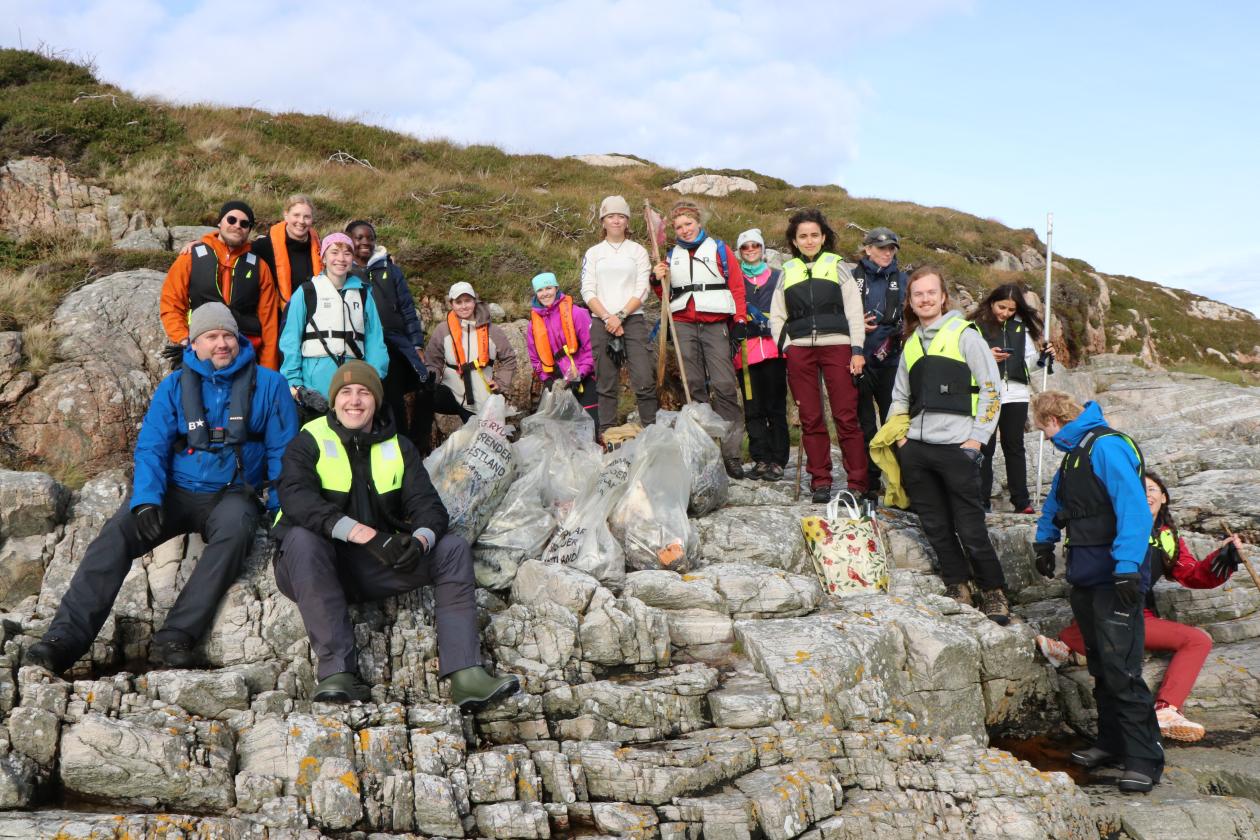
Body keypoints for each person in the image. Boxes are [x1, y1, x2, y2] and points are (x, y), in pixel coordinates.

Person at [26, 303, 297, 675]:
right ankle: (63, 640)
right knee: (116, 536)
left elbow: (284, 453)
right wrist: (146, 500)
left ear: (237, 339)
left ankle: (177, 635)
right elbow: (152, 446)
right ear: (195, 343)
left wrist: (283, 511)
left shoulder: (270, 385)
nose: (221, 344)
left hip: (233, 492)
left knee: (237, 533)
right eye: (211, 337)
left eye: (227, 336)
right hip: (176, 490)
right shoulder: (173, 386)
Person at [273, 360, 520, 706]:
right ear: (334, 401)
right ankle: (336, 672)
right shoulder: (309, 440)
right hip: (309, 568)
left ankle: (466, 673)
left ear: (376, 400)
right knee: (301, 539)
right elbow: (296, 498)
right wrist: (365, 535)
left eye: (363, 392)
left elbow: (431, 508)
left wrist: (419, 542)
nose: (354, 400)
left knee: (451, 548)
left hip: (372, 566)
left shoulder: (399, 447)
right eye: (345, 393)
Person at [1036, 471, 1242, 743]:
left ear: (1164, 497)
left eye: (1153, 489)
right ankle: (1166, 710)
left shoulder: (1168, 537)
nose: (1146, 495)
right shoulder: (1114, 526)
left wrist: (1223, 558)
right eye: (1139, 489)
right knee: (1198, 640)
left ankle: (1067, 647)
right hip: (1115, 614)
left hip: (1133, 616)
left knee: (1190, 639)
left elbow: (1192, 575)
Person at [1031, 390, 1164, 793]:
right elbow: (1057, 502)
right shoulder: (1074, 455)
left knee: (1122, 669)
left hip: (1116, 576)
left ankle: (1145, 758)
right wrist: (1044, 539)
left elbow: (1133, 507)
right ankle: (1111, 743)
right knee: (1102, 668)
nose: (1044, 436)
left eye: (1042, 428)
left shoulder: (1106, 446)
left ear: (1053, 420)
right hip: (1087, 574)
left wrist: (1126, 567)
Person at [889, 266, 1009, 623]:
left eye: (931, 293)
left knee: (970, 528)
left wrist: (976, 441)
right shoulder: (911, 344)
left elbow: (991, 390)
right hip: (917, 450)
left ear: (943, 297)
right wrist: (901, 439)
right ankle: (958, 585)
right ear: (910, 302)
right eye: (917, 295)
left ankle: (994, 591)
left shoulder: (965, 335)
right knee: (936, 526)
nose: (925, 299)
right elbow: (899, 396)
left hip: (959, 447)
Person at [770, 208, 867, 501]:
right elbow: (777, 315)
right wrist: (786, 347)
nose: (809, 241)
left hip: (838, 347)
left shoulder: (838, 266)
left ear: (823, 237)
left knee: (846, 417)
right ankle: (820, 481)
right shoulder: (787, 272)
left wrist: (857, 350)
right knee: (811, 418)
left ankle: (857, 484)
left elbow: (854, 311)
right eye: (803, 236)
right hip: (800, 351)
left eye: (814, 235)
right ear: (795, 242)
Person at [652, 200, 747, 479]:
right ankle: (706, 451)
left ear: (698, 223)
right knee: (693, 386)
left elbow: (737, 286)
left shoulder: (719, 249)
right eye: (679, 226)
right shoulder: (670, 256)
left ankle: (731, 453)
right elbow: (665, 299)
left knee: (725, 384)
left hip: (716, 321)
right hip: (682, 322)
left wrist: (740, 320)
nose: (684, 230)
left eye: (688, 224)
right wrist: (657, 280)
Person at [160, 200, 280, 370]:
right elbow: (171, 302)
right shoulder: (190, 257)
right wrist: (184, 340)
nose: (237, 226)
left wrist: (268, 370)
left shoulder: (260, 267)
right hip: (201, 354)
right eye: (231, 220)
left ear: (249, 230)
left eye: (244, 224)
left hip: (245, 356)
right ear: (219, 222)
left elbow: (269, 325)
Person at [346, 220, 432, 451]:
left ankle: (401, 450)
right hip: (358, 348)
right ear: (348, 240)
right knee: (363, 398)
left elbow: (407, 308)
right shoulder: (343, 271)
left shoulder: (391, 270)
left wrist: (416, 344)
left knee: (393, 401)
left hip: (392, 345)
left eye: (370, 237)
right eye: (359, 237)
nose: (365, 242)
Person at [968, 283, 1051, 513]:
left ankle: (1021, 501)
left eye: (1010, 309)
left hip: (1016, 392)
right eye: (1001, 306)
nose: (1004, 313)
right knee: (986, 446)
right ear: (991, 302)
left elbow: (1030, 362)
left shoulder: (1020, 329)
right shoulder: (975, 327)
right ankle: (981, 500)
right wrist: (987, 356)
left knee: (1014, 446)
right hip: (987, 392)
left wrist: (1045, 355)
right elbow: (965, 359)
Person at [278, 232, 389, 403]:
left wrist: (374, 377)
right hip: (314, 384)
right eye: (334, 252)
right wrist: (295, 384)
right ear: (323, 257)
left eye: (347, 253)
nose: (341, 258)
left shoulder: (363, 293)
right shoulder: (307, 292)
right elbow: (290, 339)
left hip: (355, 380)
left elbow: (375, 340)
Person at [580, 195, 657, 436]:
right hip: (601, 320)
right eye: (611, 216)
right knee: (606, 382)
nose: (616, 220)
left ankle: (651, 431)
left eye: (621, 216)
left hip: (633, 319)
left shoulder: (638, 251)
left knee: (644, 379)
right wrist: (607, 317)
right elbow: (587, 289)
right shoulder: (593, 253)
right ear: (603, 221)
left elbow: (642, 289)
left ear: (627, 221)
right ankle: (607, 434)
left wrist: (621, 315)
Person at [852, 227, 907, 499]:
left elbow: (914, 314)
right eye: (881, 247)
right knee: (864, 423)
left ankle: (900, 482)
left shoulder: (903, 279)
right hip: (859, 357)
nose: (887, 253)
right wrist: (854, 323)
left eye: (891, 248)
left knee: (893, 422)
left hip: (891, 360)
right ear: (868, 249)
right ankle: (870, 482)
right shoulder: (852, 277)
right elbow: (838, 312)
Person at [733, 228, 787, 481]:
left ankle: (778, 460)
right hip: (745, 353)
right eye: (746, 246)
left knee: (775, 407)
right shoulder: (734, 280)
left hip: (775, 352)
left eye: (756, 245)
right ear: (740, 251)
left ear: (763, 249)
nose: (751, 249)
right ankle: (760, 459)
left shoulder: (778, 277)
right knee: (753, 408)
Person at [424, 282, 517, 420]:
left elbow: (509, 359)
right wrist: (432, 382)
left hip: (481, 397)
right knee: (422, 398)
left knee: (480, 437)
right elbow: (433, 360)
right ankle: (415, 441)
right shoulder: (442, 329)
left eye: (468, 300)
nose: (464, 306)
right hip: (452, 392)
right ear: (451, 304)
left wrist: (501, 383)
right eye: (458, 302)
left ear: (475, 300)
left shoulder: (493, 330)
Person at [525, 272, 597, 426]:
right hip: (557, 383)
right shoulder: (533, 324)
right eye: (540, 290)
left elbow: (592, 347)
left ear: (556, 288)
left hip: (584, 378)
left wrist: (580, 372)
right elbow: (535, 358)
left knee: (591, 425)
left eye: (548, 288)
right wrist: (547, 381)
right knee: (564, 430)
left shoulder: (577, 313)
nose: (545, 294)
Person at [251, 194, 322, 305]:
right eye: (296, 215)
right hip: (280, 317)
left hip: (315, 315)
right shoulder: (264, 247)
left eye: (307, 217)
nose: (301, 221)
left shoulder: (321, 248)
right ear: (286, 215)